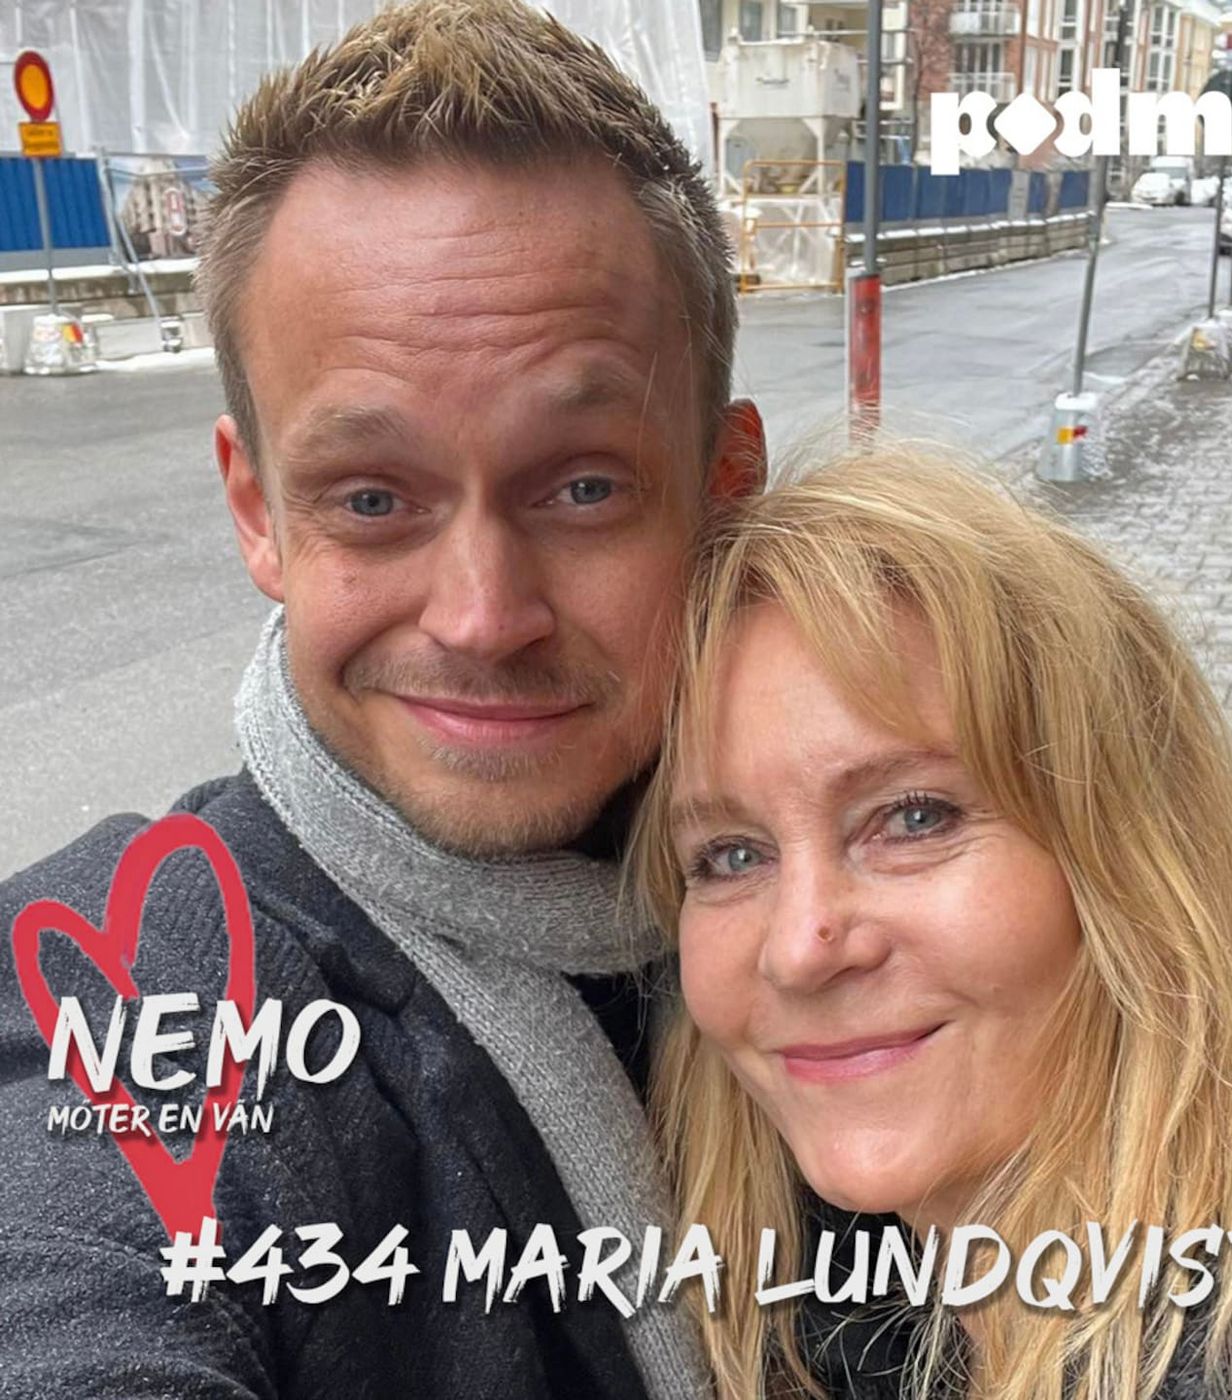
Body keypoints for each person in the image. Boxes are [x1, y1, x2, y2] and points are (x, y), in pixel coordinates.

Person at [0, 3, 762, 1396]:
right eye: (369, 498)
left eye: (583, 484)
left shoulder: (907, 901)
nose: (482, 615)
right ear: (258, 513)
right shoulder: (139, 990)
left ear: (725, 486)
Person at [632, 447, 1232, 1400]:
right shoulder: (745, 1239)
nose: (798, 951)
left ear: (1133, 860)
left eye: (915, 817)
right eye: (730, 856)